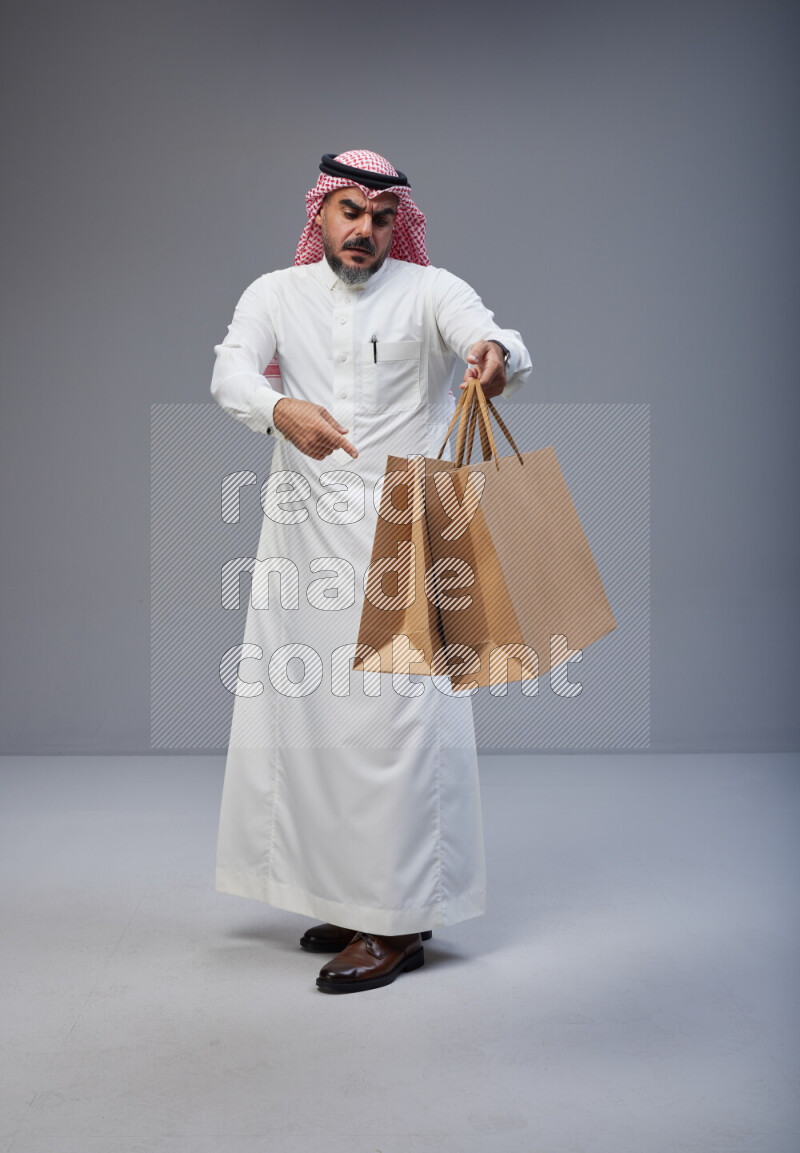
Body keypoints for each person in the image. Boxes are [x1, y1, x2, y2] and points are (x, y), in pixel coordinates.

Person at [210, 149, 532, 994]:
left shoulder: (430, 290)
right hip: (304, 533)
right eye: (350, 211)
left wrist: (494, 357)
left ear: (401, 222)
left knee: (395, 727)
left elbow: (488, 334)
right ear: (319, 214)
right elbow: (230, 367)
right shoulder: (273, 294)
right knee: (314, 720)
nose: (366, 229)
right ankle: (357, 899)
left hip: (407, 529)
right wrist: (279, 407)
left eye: (382, 216)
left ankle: (395, 922)